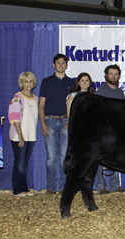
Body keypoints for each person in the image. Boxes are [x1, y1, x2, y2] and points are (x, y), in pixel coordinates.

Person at [38, 54, 76, 195]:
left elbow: (74, 105)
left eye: (63, 63)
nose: (60, 65)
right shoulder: (46, 82)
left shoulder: (72, 83)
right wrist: (42, 124)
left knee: (63, 157)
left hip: (65, 121)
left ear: (66, 65)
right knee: (51, 158)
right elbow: (41, 105)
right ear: (54, 65)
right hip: (50, 121)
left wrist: (70, 122)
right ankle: (51, 186)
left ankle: (63, 187)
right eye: (58, 63)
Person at [94, 65, 125, 195]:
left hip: (117, 131)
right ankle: (101, 186)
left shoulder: (120, 92)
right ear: (106, 75)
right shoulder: (101, 91)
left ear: (119, 76)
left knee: (116, 158)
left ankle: (115, 185)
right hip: (104, 130)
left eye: (116, 74)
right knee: (101, 158)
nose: (113, 76)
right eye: (111, 74)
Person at [8, 72, 38, 197]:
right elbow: (14, 117)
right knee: (20, 163)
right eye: (26, 81)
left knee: (25, 163)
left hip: (31, 135)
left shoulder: (35, 98)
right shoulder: (17, 97)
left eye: (30, 81)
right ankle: (18, 189)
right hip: (19, 135)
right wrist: (20, 135)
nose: (28, 84)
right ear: (22, 83)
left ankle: (24, 188)